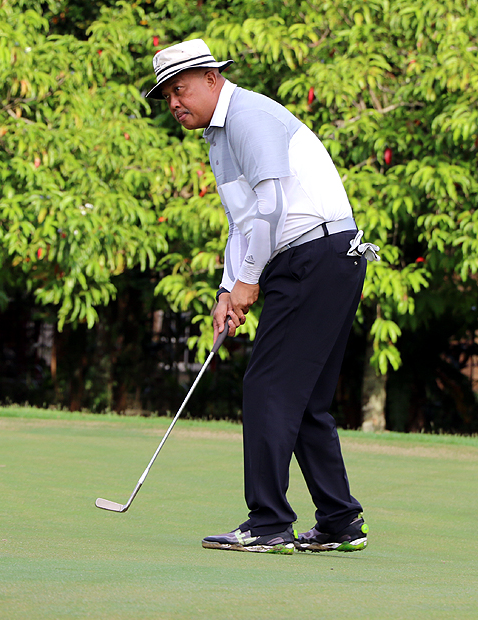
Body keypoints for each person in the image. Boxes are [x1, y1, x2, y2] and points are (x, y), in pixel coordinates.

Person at [147, 39, 380, 554]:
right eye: (166, 97)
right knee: (306, 399)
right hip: (320, 259)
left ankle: (269, 522)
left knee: (268, 388)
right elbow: (244, 221)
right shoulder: (221, 136)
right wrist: (229, 289)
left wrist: (248, 282)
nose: (174, 104)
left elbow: (273, 206)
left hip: (313, 257)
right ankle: (341, 521)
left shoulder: (249, 116)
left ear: (212, 79)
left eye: (180, 90)